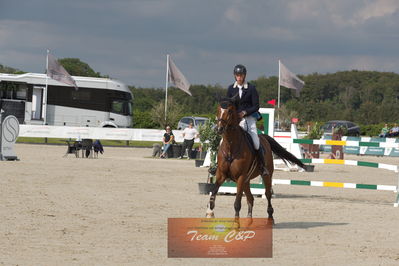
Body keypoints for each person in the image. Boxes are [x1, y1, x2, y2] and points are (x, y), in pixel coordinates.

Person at [226, 64, 268, 176]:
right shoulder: (231, 88)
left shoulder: (251, 88)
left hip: (248, 119)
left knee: (256, 142)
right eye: (237, 75)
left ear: (244, 76)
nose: (239, 77)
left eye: (241, 75)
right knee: (222, 142)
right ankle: (218, 166)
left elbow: (256, 106)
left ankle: (262, 166)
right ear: (235, 76)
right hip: (234, 121)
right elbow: (228, 105)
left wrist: (245, 112)